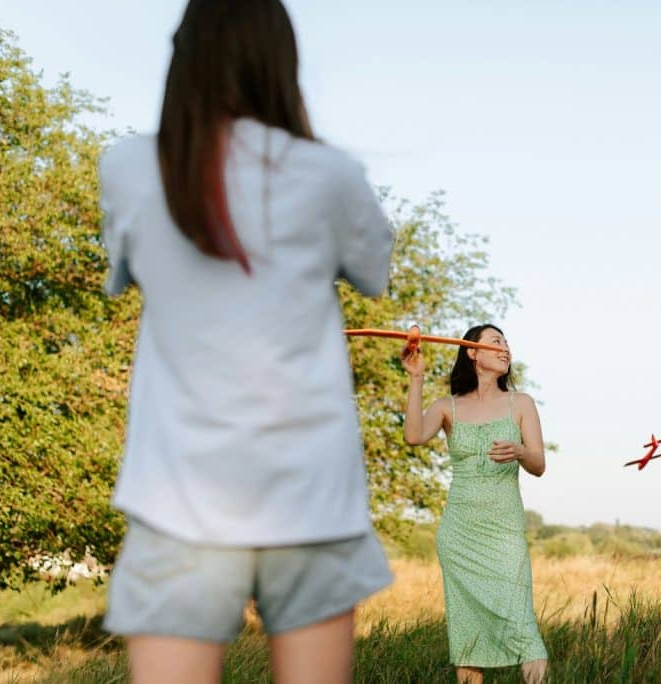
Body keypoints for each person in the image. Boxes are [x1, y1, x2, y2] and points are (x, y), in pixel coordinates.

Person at [98, 1, 395, 682]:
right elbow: (375, 273)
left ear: (184, 56)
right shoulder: (330, 176)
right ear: (281, 63)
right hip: (312, 495)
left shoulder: (130, 168)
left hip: (177, 497)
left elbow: (126, 273)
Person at [401, 324, 548, 684]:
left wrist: (521, 451)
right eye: (496, 342)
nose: (506, 349)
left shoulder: (521, 403)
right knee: (469, 637)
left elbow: (539, 465)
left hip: (504, 531)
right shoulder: (448, 406)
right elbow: (414, 436)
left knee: (523, 626)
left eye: (507, 344)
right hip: (460, 533)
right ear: (472, 351)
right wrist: (417, 379)